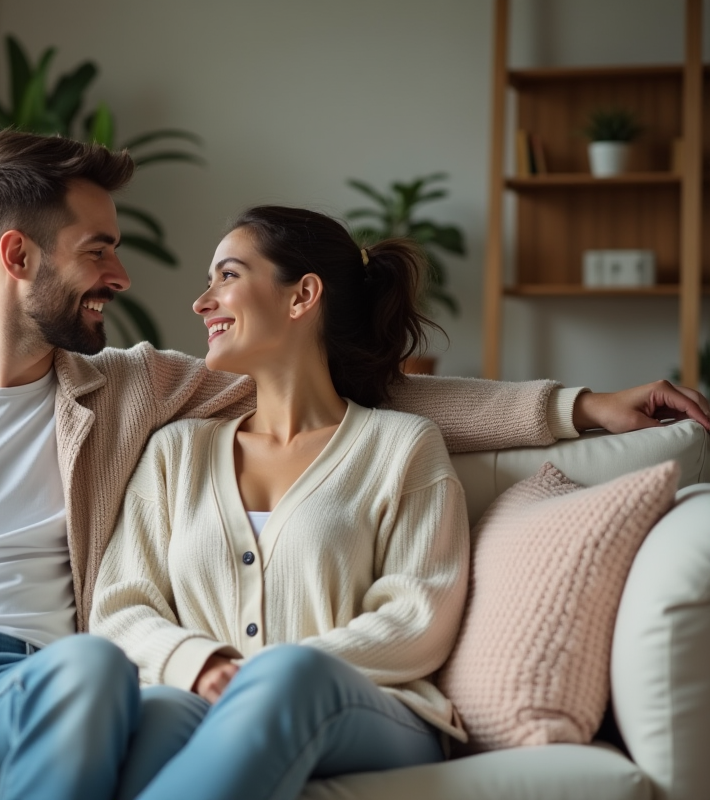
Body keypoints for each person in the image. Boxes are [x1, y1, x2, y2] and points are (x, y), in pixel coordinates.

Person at [0, 130, 710, 800]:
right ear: (17, 256)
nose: (123, 275)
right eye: (99, 251)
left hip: (19, 679)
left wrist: (570, 406)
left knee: (91, 666)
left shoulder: (134, 389)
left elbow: (362, 393)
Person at [90, 205, 710, 800]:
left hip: (375, 709)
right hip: (204, 697)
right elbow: (121, 604)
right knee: (161, 711)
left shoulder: (400, 446)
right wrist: (198, 666)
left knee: (290, 677)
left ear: (302, 296)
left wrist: (257, 673)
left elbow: (418, 617)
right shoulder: (176, 452)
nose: (202, 302)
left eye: (227, 276)